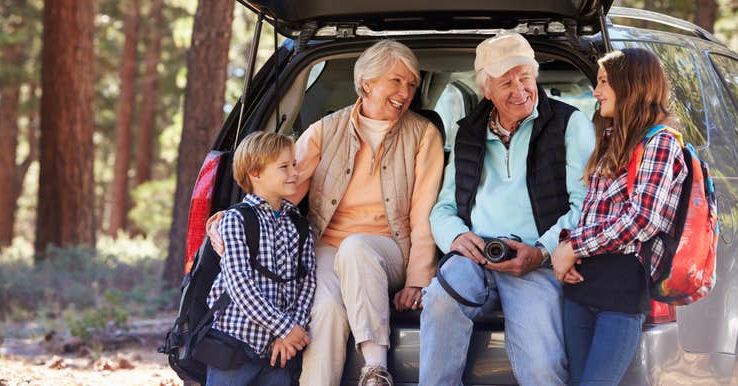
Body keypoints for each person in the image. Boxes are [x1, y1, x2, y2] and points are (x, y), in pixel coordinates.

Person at [207, 39, 444, 385]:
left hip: (389, 250)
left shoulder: (424, 135)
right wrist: (229, 219)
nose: (405, 92)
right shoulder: (324, 130)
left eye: (411, 84)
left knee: (357, 248)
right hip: (327, 247)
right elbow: (279, 185)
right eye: (396, 80)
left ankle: (375, 369)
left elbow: (424, 211)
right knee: (324, 309)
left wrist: (417, 279)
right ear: (366, 83)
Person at [419, 32, 595, 385]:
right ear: (486, 89)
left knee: (542, 370)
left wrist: (542, 251)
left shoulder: (570, 125)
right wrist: (456, 236)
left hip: (536, 259)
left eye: (525, 77)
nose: (520, 90)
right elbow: (444, 207)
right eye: (506, 82)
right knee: (439, 300)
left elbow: (587, 205)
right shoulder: (468, 133)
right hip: (477, 253)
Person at [552, 48, 688, 386]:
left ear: (631, 85)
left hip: (622, 290)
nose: (595, 92)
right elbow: (592, 211)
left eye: (603, 83)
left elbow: (644, 219)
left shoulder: (660, 142)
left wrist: (575, 248)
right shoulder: (611, 140)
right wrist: (568, 249)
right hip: (582, 287)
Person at [204, 132, 317, 386]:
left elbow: (307, 281)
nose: (294, 173)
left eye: (294, 165)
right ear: (255, 173)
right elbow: (239, 284)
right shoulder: (236, 220)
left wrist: (291, 330)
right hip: (236, 347)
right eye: (284, 167)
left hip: (279, 354)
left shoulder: (299, 225)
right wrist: (285, 328)